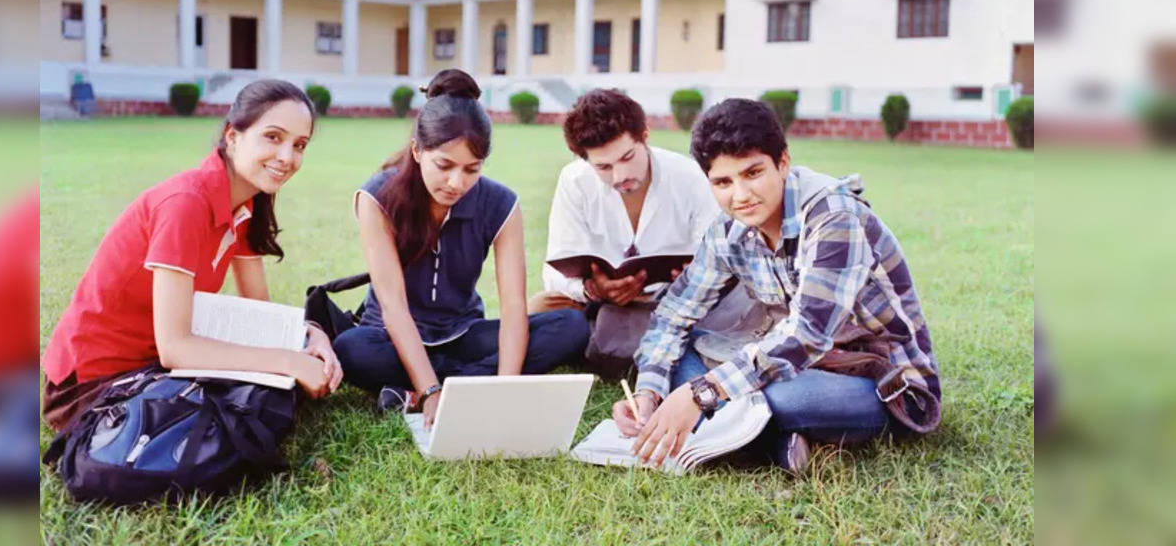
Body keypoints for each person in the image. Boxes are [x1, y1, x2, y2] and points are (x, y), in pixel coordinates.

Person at [610, 98, 941, 474]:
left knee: (779, 395)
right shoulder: (727, 230)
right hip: (790, 366)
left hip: (875, 378)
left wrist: (703, 393)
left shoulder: (833, 216)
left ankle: (746, 430)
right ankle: (780, 441)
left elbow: (808, 335)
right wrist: (648, 393)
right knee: (684, 349)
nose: (740, 195)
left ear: (782, 163)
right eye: (722, 182)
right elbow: (673, 315)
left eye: (752, 173)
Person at [42, 80, 343, 432]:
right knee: (246, 413)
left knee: (261, 401)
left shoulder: (244, 204)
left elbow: (261, 312)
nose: (287, 158)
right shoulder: (186, 203)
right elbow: (176, 349)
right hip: (91, 384)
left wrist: (311, 336)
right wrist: (287, 361)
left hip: (152, 367)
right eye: (273, 137)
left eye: (299, 145)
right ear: (232, 136)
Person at [333, 69, 588, 425]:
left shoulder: (502, 204)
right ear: (417, 151)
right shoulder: (377, 197)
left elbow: (514, 305)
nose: (457, 182)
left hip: (462, 332)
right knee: (351, 349)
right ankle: (444, 385)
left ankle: (417, 391)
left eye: (472, 169)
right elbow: (393, 307)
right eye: (444, 165)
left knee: (571, 327)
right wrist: (431, 392)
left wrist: (506, 387)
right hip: (389, 336)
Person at [528, 89, 755, 378]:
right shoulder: (574, 181)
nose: (620, 175)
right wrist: (592, 289)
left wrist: (690, 278)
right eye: (603, 167)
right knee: (540, 308)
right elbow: (555, 271)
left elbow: (719, 260)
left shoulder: (689, 176)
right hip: (596, 302)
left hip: (672, 303)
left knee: (735, 308)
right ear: (585, 160)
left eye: (627, 157)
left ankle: (608, 345)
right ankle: (611, 340)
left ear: (645, 136)